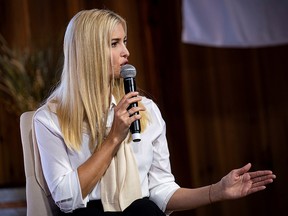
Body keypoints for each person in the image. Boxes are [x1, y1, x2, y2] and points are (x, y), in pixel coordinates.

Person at [33, 9, 276, 216]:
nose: (126, 52)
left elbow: (161, 190)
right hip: (87, 213)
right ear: (88, 53)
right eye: (114, 44)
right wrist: (114, 138)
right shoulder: (50, 119)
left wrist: (217, 191)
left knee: (145, 209)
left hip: (140, 212)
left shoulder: (146, 110)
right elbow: (65, 198)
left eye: (125, 41)